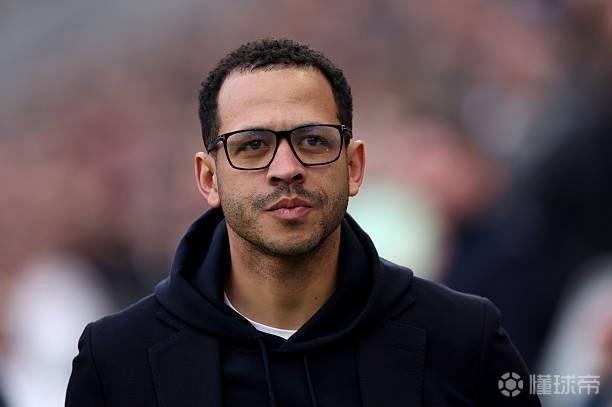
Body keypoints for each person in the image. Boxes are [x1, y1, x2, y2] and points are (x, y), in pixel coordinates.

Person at [66, 38, 540, 406]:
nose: (286, 168)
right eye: (253, 145)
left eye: (313, 141)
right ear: (209, 179)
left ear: (353, 167)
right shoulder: (117, 361)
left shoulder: (463, 337)